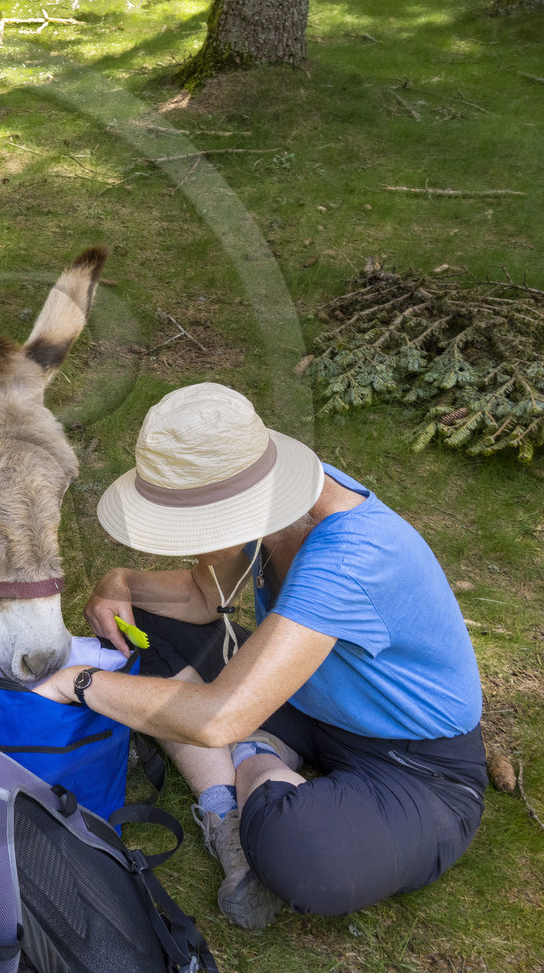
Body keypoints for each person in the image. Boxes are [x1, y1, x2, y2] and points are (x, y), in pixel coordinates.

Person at [34, 383, 486, 930]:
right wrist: (120, 581)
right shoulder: (277, 503)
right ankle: (232, 808)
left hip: (416, 764)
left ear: (240, 506)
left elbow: (219, 715)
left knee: (304, 857)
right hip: (310, 696)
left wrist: (77, 682)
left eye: (195, 529)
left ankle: (253, 764)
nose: (189, 545)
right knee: (136, 624)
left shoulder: (350, 558)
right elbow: (205, 599)